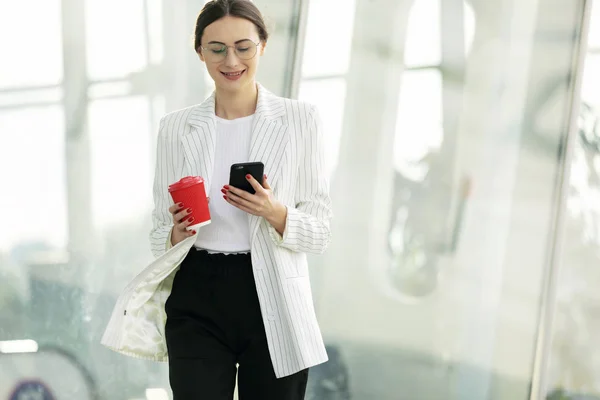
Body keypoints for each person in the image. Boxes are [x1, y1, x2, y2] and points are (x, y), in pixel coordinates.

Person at [101, 0, 332, 399]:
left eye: (243, 47)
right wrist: (176, 230)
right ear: (199, 52)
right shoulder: (175, 128)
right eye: (217, 48)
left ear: (262, 46)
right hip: (197, 292)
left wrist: (274, 212)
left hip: (272, 290)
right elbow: (159, 236)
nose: (231, 60)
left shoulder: (300, 120)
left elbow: (321, 233)